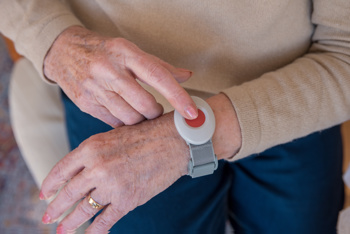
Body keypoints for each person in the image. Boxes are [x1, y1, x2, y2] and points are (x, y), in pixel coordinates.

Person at [1, 0, 349, 233]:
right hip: (116, 98)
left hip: (289, 92)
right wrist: (55, 42)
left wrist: (187, 141)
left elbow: (344, 51)